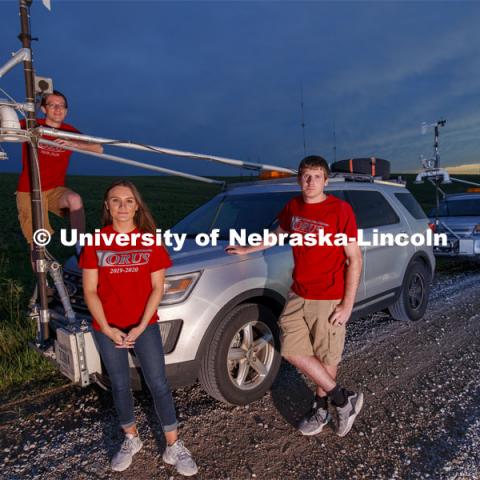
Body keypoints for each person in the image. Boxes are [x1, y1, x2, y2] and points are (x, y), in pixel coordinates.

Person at [227, 155, 364, 437]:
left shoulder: (340, 210)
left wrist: (347, 303)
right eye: (305, 175)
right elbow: (278, 233)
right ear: (299, 178)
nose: (310, 181)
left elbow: (355, 258)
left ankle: (321, 408)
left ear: (326, 180)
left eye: (316, 176)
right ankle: (342, 399)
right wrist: (247, 249)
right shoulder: (293, 207)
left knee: (326, 355)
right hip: (298, 292)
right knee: (291, 350)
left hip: (328, 296)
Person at [80, 180, 198, 476]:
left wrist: (142, 325)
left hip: (144, 325)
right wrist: (107, 329)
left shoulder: (149, 241)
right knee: (119, 384)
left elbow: (158, 287)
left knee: (158, 383)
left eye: (128, 201)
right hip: (108, 327)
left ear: (137, 206)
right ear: (107, 206)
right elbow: (90, 291)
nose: (122, 206)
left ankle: (173, 445)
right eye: (116, 200)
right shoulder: (95, 242)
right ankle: (131, 439)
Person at [16, 90, 103, 253]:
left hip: (54, 189)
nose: (58, 109)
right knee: (38, 244)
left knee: (74, 199)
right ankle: (40, 277)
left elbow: (98, 148)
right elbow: (7, 128)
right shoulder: (32, 124)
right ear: (43, 109)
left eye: (62, 105)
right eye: (53, 105)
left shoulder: (69, 131)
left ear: (67, 110)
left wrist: (75, 144)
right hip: (29, 190)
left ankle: (81, 249)